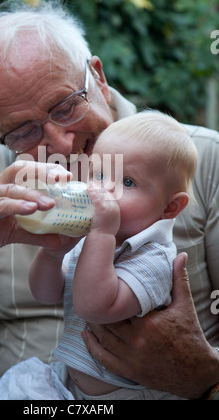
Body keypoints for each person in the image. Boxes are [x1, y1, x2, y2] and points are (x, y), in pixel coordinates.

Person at [0, 0, 218, 400]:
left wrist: (205, 376)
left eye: (65, 106)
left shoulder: (206, 160)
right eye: (23, 130)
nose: (62, 142)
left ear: (98, 77)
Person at [23, 111, 197, 400]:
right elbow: (45, 294)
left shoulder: (154, 259)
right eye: (99, 174)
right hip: (71, 386)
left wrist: (101, 235)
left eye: (127, 182)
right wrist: (52, 255)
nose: (103, 189)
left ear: (170, 208)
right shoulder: (98, 239)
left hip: (127, 395)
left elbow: (93, 307)